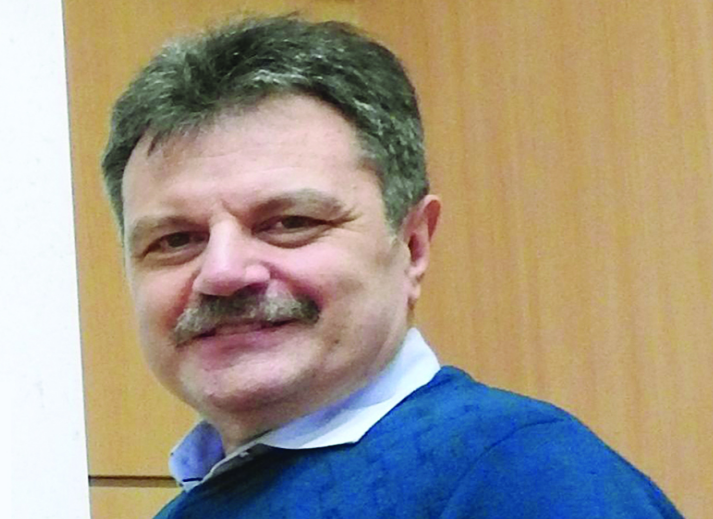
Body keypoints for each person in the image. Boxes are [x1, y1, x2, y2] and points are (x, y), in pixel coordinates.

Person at [101, 15, 683, 518]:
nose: (223, 272)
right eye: (176, 240)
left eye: (290, 222)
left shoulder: (525, 479)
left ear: (413, 245)